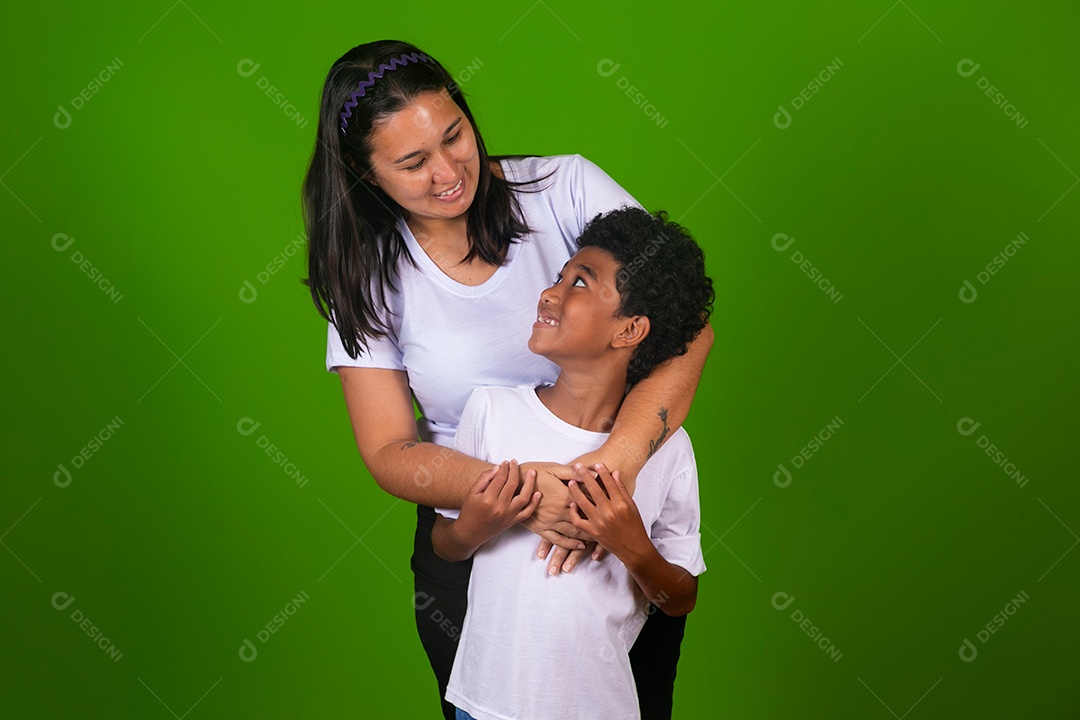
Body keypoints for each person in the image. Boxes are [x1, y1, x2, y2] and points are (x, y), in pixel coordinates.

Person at [302, 40, 714, 719]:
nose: (447, 172)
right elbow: (388, 450)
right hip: (471, 538)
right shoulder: (367, 274)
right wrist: (523, 494)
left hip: (611, 529)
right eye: (412, 163)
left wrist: (607, 473)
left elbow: (686, 322)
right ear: (364, 172)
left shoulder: (565, 188)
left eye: (455, 136)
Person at [432, 206, 713, 720]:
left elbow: (680, 597)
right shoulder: (493, 411)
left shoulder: (667, 449)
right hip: (482, 703)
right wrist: (476, 525)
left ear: (629, 331)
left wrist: (633, 547)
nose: (550, 292)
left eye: (579, 283)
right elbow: (446, 545)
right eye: (559, 276)